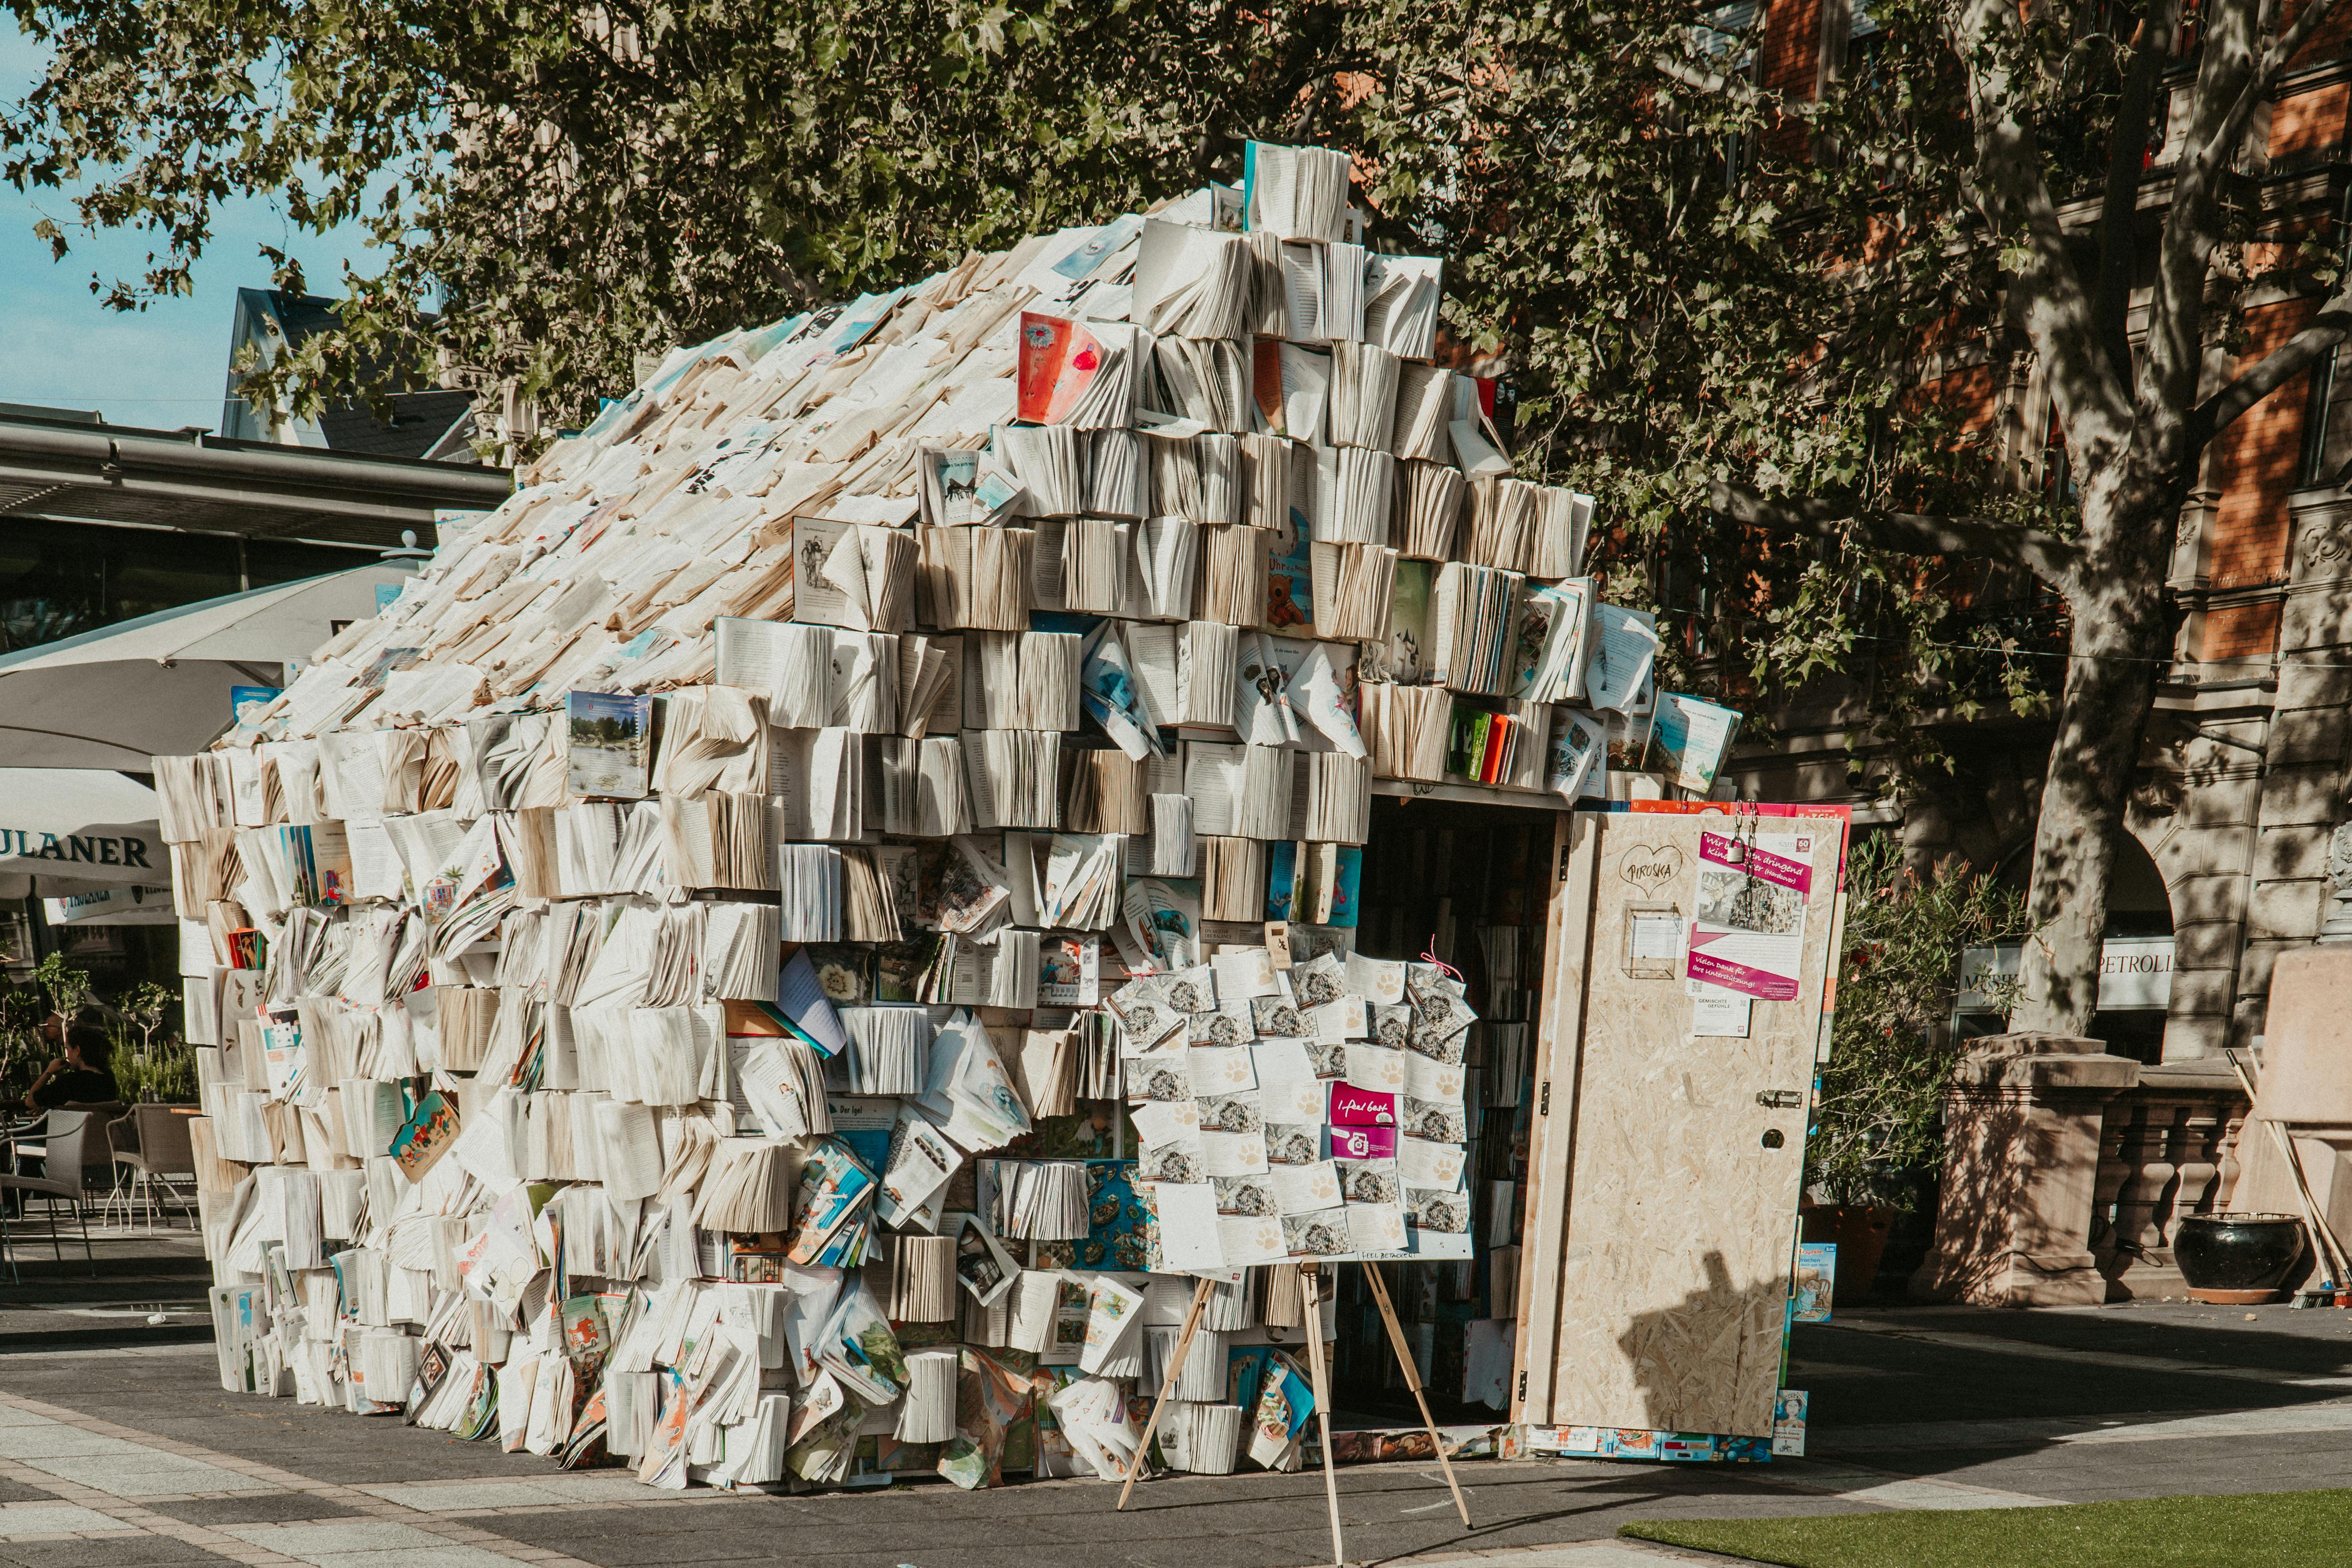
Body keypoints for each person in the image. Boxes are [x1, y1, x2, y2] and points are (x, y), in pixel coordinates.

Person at [21, 1021, 116, 1110]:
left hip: (73, 1123)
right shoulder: (108, 1078)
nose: (68, 1056)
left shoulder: (70, 1081)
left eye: (68, 1049)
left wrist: (49, 1072)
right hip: (100, 1123)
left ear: (77, 1051)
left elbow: (30, 1102)